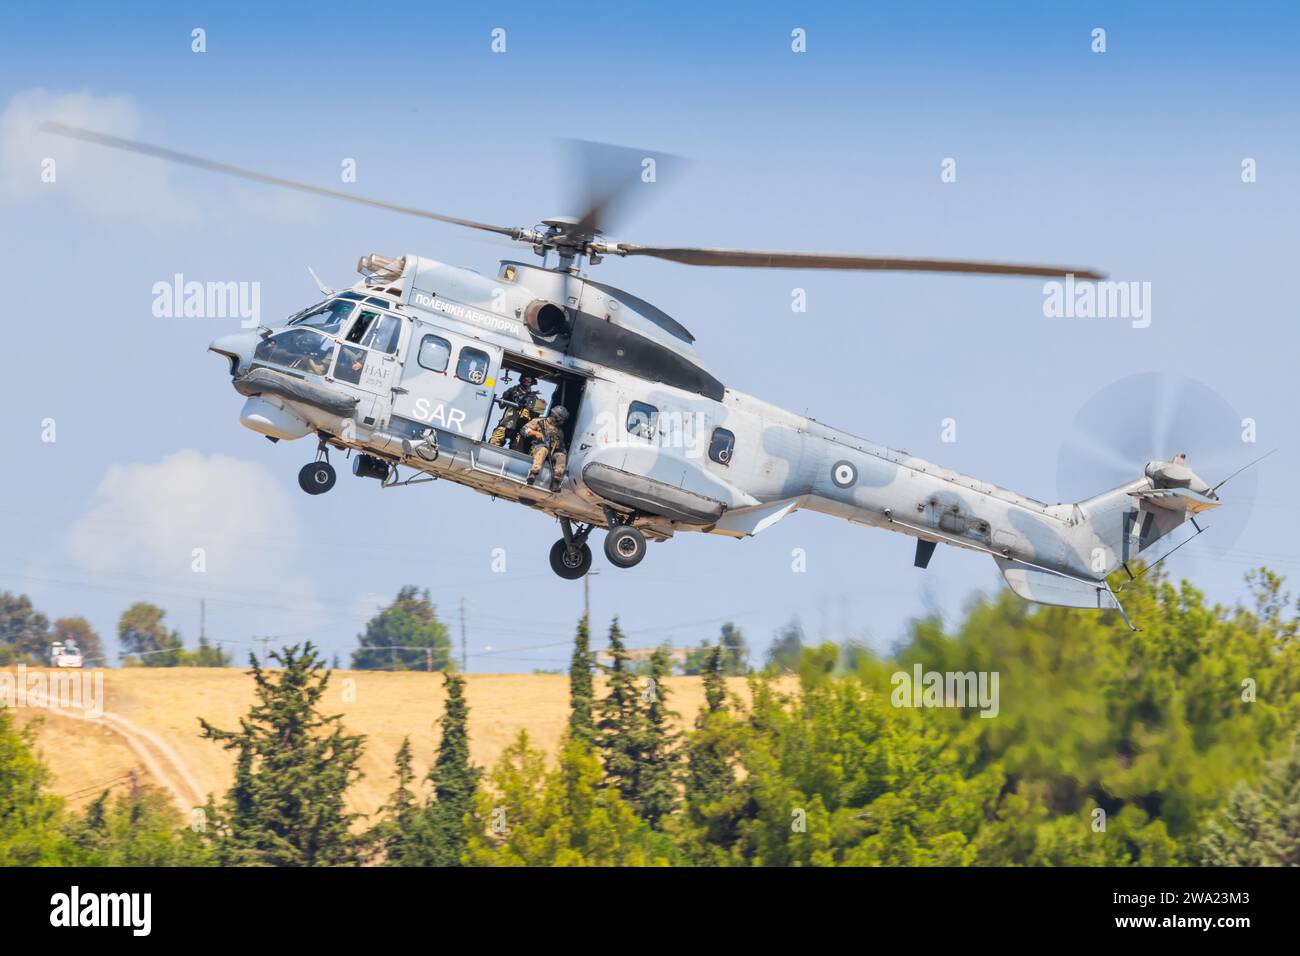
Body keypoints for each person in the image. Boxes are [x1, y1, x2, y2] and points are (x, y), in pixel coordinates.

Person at [523, 405, 569, 491]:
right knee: (543, 449)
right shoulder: (539, 421)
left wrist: (561, 451)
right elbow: (524, 430)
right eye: (560, 419)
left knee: (561, 456)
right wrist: (535, 433)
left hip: (551, 453)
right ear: (555, 416)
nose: (561, 422)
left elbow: (561, 447)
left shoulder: (559, 431)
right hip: (537, 449)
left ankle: (556, 481)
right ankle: (533, 474)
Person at [488, 374, 539, 447]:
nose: (526, 382)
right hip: (506, 425)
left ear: (532, 383)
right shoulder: (512, 390)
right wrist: (506, 397)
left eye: (529, 380)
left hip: (520, 430)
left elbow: (534, 416)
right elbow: (501, 406)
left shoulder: (533, 397)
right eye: (525, 379)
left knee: (518, 448)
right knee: (494, 443)